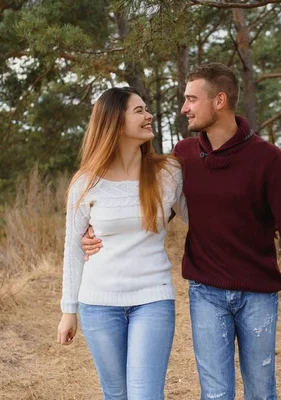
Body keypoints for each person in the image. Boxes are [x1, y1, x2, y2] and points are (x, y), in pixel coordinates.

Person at [82, 63, 281, 400]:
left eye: (192, 99)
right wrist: (95, 230)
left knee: (261, 392)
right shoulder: (185, 155)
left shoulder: (268, 159)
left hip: (258, 294)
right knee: (215, 394)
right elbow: (156, 211)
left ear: (219, 100)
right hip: (206, 292)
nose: (184, 108)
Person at [57, 86, 187, 400]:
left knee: (144, 395)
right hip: (98, 304)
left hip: (152, 298)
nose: (149, 115)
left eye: (147, 109)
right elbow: (73, 248)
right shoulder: (86, 182)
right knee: (116, 394)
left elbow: (202, 222)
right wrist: (68, 310)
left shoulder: (168, 172)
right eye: (139, 110)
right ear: (116, 121)